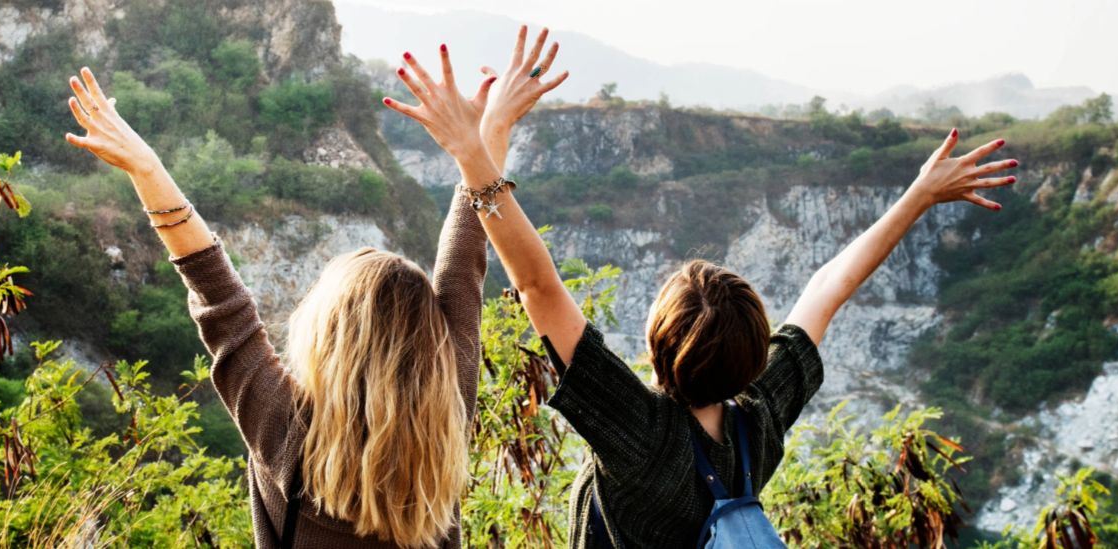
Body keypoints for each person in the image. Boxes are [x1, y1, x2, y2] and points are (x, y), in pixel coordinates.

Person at [385, 28, 1019, 549]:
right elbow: (831, 287)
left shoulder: (641, 433)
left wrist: (475, 149)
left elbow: (536, 284)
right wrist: (919, 195)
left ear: (658, 342)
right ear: (752, 360)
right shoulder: (759, 425)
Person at [61, 59, 503, 548]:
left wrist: (146, 167)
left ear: (326, 334)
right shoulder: (446, 413)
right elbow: (465, 266)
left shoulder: (284, 432)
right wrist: (483, 139)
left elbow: (216, 290)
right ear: (432, 343)